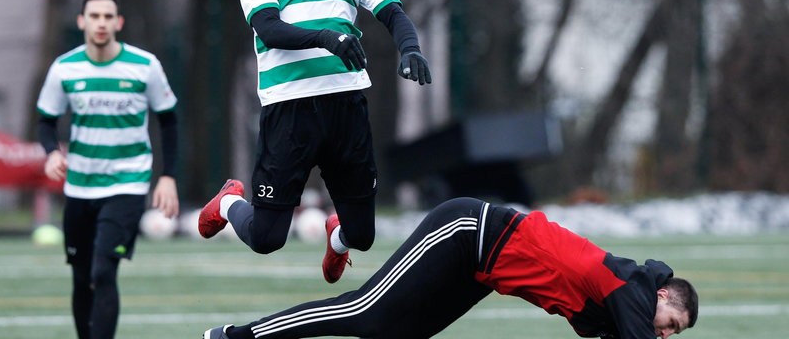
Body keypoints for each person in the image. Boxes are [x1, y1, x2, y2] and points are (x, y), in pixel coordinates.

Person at [198, 0, 431, 283]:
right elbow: (268, 28)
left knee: (362, 235)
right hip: (289, 112)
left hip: (347, 108)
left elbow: (392, 11)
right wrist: (327, 38)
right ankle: (230, 202)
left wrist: (410, 47)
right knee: (268, 238)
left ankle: (336, 238)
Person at [202, 197, 698, 339]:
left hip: (482, 272)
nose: (666, 335)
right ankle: (234, 336)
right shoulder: (633, 288)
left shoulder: (622, 311)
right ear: (660, 297)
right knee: (362, 311)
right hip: (468, 231)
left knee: (395, 333)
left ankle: (340, 231)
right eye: (671, 325)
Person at [37, 0, 180, 339]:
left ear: (118, 23)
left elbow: (169, 120)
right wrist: (52, 153)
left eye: (107, 17)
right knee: (81, 275)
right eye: (94, 16)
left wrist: (168, 177)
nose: (101, 23)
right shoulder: (64, 68)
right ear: (82, 21)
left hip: (127, 185)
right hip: (79, 187)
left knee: (103, 271)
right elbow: (45, 120)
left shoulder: (145, 66)